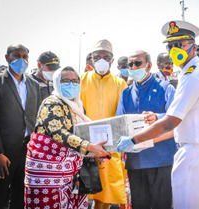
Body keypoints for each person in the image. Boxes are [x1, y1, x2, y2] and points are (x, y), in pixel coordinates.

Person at [117, 20, 199, 209]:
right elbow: (187, 112)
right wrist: (158, 117)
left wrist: (133, 140)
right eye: (171, 45)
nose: (175, 49)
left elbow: (170, 123)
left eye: (180, 44)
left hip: (195, 153)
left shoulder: (192, 75)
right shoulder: (193, 73)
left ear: (193, 46)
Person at [24, 66, 110, 209]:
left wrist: (95, 151)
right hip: (48, 172)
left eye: (75, 81)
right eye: (66, 81)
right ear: (57, 82)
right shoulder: (52, 102)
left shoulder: (77, 105)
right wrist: (88, 147)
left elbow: (83, 132)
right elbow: (58, 133)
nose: (71, 84)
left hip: (70, 171)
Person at [116, 50, 177, 209]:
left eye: (138, 63)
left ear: (149, 66)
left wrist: (157, 116)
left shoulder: (166, 88)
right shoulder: (126, 93)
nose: (133, 67)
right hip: (136, 162)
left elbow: (178, 119)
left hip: (162, 160)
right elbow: (119, 122)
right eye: (130, 64)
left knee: (161, 205)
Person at [0, 44, 41, 209]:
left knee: (21, 196)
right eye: (16, 56)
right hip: (4, 155)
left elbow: (35, 119)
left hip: (27, 151)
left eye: (24, 56)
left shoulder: (34, 85)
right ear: (7, 58)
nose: (21, 60)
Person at [80, 39, 128, 209]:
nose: (101, 60)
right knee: (82, 194)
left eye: (106, 57)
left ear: (112, 61)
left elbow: (123, 117)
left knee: (105, 195)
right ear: (91, 60)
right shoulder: (80, 81)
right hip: (85, 146)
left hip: (109, 147)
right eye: (97, 56)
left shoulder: (120, 84)